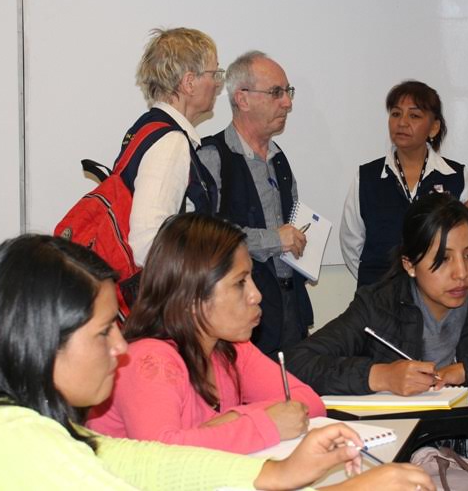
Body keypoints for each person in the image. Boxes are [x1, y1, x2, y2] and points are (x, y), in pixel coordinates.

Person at [0, 234, 435, 491]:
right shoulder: (3, 437)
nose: (119, 347)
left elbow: (145, 461)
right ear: (39, 341)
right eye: (102, 332)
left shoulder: (14, 421)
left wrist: (280, 476)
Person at [87, 213, 325, 454]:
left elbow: (309, 402)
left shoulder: (230, 349)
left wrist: (228, 421)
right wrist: (265, 423)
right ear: (192, 296)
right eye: (240, 282)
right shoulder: (150, 359)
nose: (256, 295)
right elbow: (161, 455)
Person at [286, 192, 468, 396]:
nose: (462, 273)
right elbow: (298, 363)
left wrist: (466, 371)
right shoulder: (377, 306)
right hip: (400, 455)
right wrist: (380, 376)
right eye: (443, 259)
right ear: (410, 265)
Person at [198, 51, 311, 358]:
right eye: (277, 93)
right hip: (243, 313)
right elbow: (208, 237)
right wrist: (277, 239)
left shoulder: (280, 158)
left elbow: (292, 222)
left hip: (290, 307)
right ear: (242, 99)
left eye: (288, 93)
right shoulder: (213, 156)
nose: (287, 103)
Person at [340, 80, 468, 288]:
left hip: (438, 296)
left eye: (414, 115)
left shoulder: (456, 176)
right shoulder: (367, 176)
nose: (402, 122)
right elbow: (351, 244)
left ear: (434, 127)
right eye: (396, 114)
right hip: (379, 297)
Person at [123, 27, 221, 267]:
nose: (218, 83)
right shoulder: (171, 142)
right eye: (214, 73)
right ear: (189, 82)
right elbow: (147, 245)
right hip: (171, 298)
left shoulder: (146, 128)